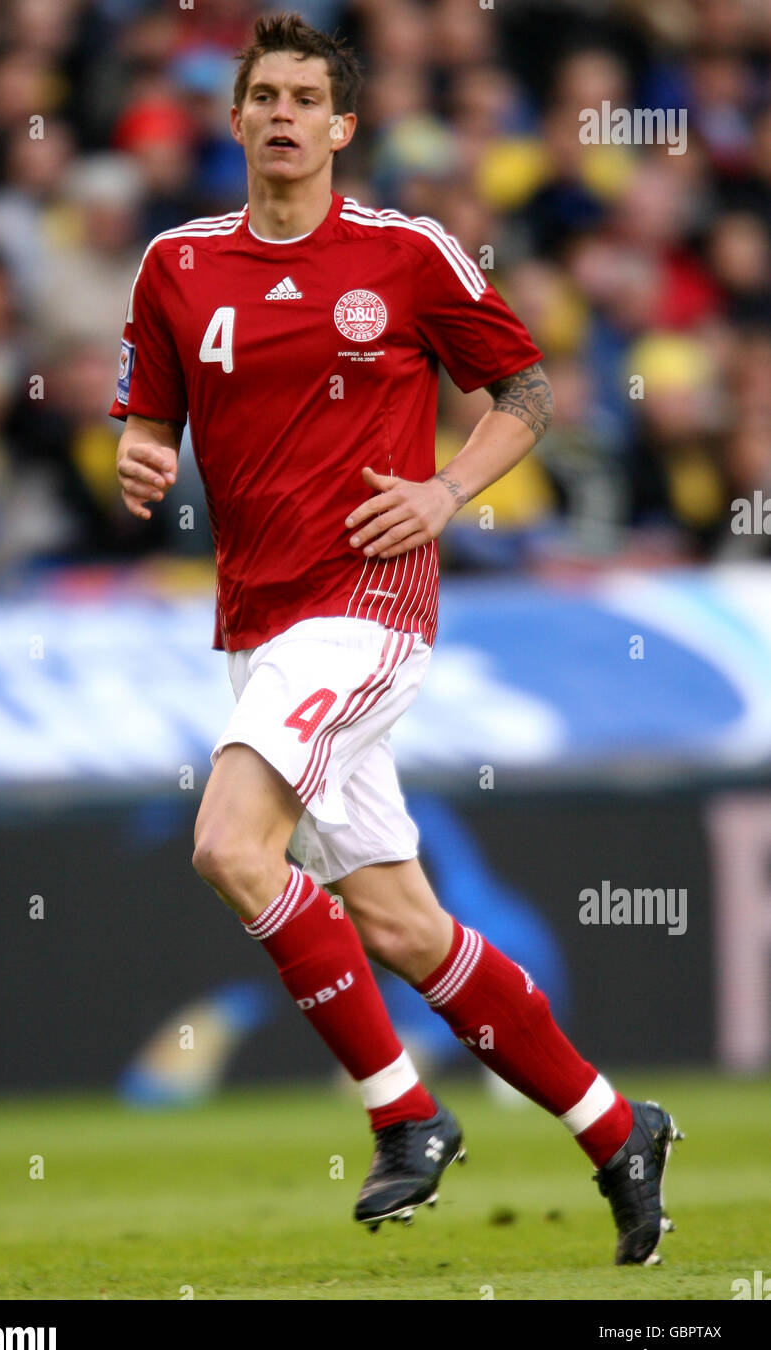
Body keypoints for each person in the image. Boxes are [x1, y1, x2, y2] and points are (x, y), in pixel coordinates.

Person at [112, 12, 682, 1262]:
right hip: (256, 624)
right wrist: (140, 457)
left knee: (229, 843)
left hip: (368, 605)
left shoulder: (406, 252)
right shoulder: (175, 266)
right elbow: (148, 419)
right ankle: (612, 1125)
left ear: (341, 125)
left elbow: (524, 390)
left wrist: (442, 491)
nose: (281, 114)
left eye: (306, 97)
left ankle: (403, 1114)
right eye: (263, 93)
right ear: (235, 115)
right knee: (403, 926)